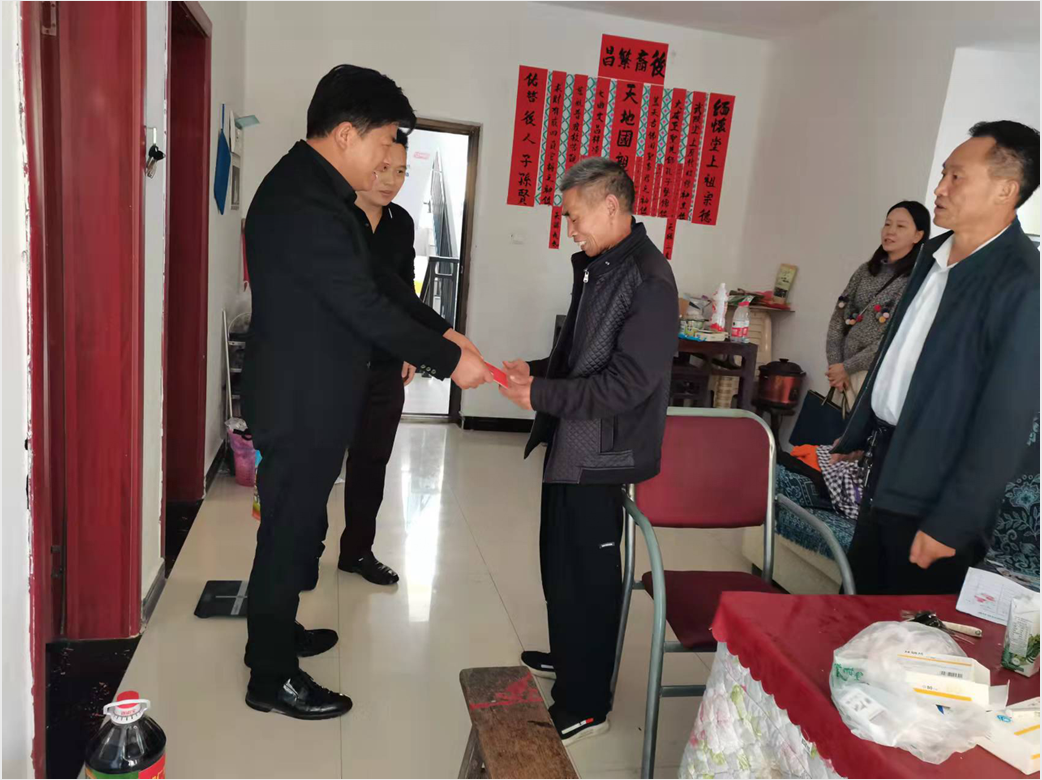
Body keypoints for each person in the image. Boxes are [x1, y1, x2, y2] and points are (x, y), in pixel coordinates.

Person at [241, 64, 490, 720]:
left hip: (310, 388)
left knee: (292, 528)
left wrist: (444, 331)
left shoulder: (319, 193)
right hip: (301, 396)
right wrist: (447, 361)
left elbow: (381, 285)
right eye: (384, 142)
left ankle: (272, 636)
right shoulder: (307, 203)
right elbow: (363, 307)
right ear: (347, 134)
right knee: (290, 530)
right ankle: (271, 676)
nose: (387, 159)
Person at [499, 157, 679, 745]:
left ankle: (586, 702)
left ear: (611, 205)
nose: (570, 229)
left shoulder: (648, 280)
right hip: (572, 445)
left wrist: (541, 393)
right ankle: (571, 653)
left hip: (604, 455)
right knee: (560, 564)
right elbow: (582, 356)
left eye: (575, 217)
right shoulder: (603, 266)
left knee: (589, 579)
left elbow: (627, 384)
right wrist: (536, 370)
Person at [833, 120, 1040, 595]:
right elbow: (897, 352)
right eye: (944, 173)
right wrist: (860, 428)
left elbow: (1006, 422)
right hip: (888, 465)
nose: (940, 188)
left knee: (908, 632)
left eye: (956, 177)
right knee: (854, 610)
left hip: (936, 492)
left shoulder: (1022, 283)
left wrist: (953, 522)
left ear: (1005, 189)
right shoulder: (932, 255)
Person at [336, 130, 449, 585]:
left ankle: (357, 552)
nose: (391, 181)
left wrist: (409, 346)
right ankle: (305, 550)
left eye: (401, 171)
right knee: (320, 461)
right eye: (384, 169)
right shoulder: (334, 215)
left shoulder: (401, 222)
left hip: (383, 363)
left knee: (372, 461)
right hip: (333, 361)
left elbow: (404, 287)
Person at [826, 201, 931, 407]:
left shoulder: (917, 280)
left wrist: (847, 367)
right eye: (887, 224)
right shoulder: (866, 271)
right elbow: (838, 318)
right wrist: (835, 365)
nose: (890, 231)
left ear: (918, 236)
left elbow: (897, 335)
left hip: (875, 375)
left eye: (900, 226)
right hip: (841, 377)